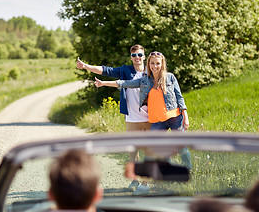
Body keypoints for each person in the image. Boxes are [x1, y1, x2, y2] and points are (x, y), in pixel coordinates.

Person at [93, 51, 192, 170]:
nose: (155, 66)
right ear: (148, 64)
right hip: (158, 121)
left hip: (174, 117)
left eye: (157, 63)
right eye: (152, 63)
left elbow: (179, 96)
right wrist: (103, 83)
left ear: (162, 64)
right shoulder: (145, 80)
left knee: (182, 147)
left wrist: (185, 115)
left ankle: (188, 169)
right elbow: (125, 83)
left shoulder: (170, 77)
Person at [77, 44, 151, 193]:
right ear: (131, 58)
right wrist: (86, 66)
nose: (137, 58)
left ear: (144, 56)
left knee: (149, 150)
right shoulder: (125, 70)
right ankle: (135, 178)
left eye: (140, 55)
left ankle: (145, 181)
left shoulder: (151, 71)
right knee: (133, 151)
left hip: (151, 118)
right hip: (132, 118)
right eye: (134, 55)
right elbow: (106, 70)